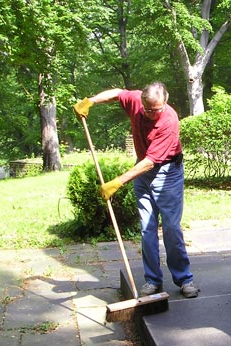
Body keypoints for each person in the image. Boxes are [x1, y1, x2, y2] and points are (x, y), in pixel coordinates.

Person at [74, 82, 198, 298]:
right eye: (147, 108)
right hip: (143, 171)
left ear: (165, 103)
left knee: (171, 228)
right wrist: (90, 101)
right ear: (142, 101)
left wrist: (118, 182)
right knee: (147, 228)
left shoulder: (169, 120)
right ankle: (152, 280)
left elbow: (151, 161)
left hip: (167, 173)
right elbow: (117, 93)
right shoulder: (136, 101)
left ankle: (184, 279)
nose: (150, 113)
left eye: (155, 109)